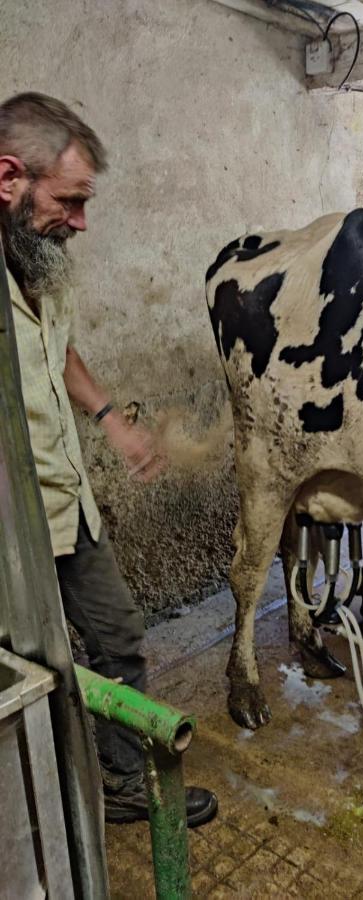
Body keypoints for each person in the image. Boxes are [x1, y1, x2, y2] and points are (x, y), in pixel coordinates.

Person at [0, 92, 217, 826]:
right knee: (24, 664)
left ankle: (122, 780)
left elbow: (54, 348)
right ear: (8, 177)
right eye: (70, 200)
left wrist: (109, 421)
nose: (81, 222)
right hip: (9, 527)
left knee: (117, 634)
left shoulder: (38, 256)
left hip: (67, 499)